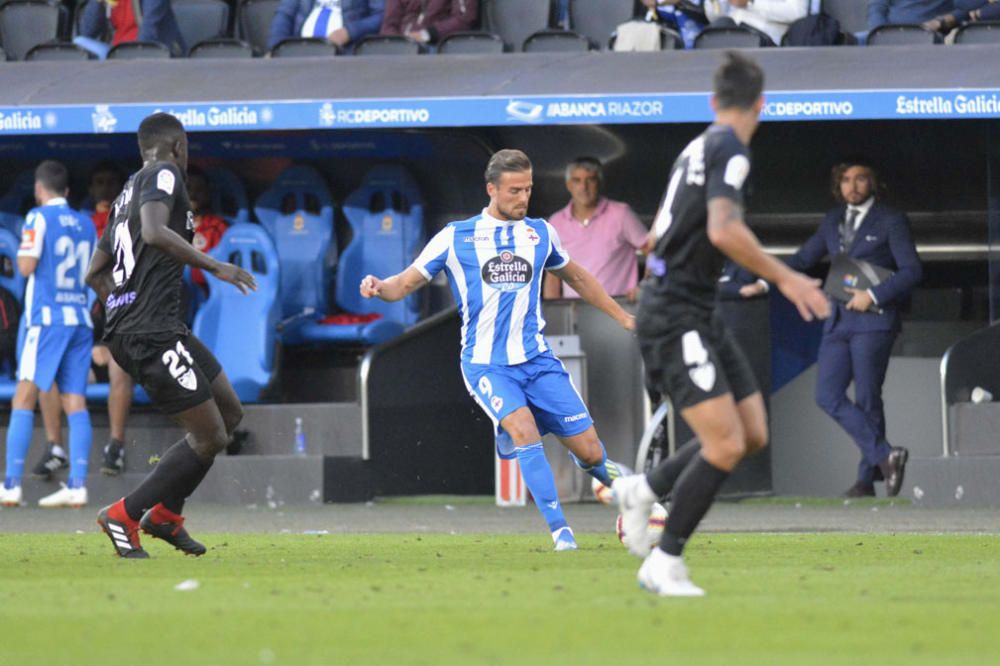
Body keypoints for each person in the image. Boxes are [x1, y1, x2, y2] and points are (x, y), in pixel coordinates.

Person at [612, 52, 830, 596]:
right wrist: (790, 279)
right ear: (762, 104)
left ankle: (643, 489)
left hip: (693, 306)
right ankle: (664, 562)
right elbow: (723, 231)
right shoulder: (731, 148)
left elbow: (663, 236)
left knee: (750, 432)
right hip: (678, 311)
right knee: (725, 444)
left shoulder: (698, 144)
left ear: (712, 102)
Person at [360, 149, 634, 551]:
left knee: (591, 452)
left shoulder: (540, 233)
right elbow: (403, 284)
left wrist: (623, 318)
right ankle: (562, 534)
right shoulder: (457, 237)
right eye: (513, 191)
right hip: (487, 365)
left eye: (527, 190)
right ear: (491, 190)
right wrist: (378, 287)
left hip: (538, 362)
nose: (522, 198)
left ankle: (632, 495)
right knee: (522, 429)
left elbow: (577, 276)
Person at [87, 113, 256, 558]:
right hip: (150, 332)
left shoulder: (126, 190)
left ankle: (165, 516)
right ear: (179, 146)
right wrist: (216, 266)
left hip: (154, 326)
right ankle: (124, 514)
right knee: (211, 437)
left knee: (229, 413)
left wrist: (120, 305)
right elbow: (157, 232)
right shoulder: (164, 173)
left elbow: (94, 273)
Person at [768, 159, 920, 498]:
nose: (852, 186)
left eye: (861, 179)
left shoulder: (891, 219)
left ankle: (866, 481)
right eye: (846, 180)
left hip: (874, 320)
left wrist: (873, 294)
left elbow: (912, 271)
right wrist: (760, 277)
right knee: (827, 394)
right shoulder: (832, 220)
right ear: (838, 186)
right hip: (837, 320)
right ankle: (886, 456)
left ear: (873, 183)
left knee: (867, 398)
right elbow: (803, 259)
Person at [0, 161, 97, 508]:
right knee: (75, 401)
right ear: (67, 191)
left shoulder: (37, 218)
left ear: (40, 191)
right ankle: (78, 485)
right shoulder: (87, 224)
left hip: (46, 318)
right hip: (80, 319)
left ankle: (10, 485)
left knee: (23, 396)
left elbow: (25, 266)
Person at [542, 157, 649, 303]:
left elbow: (654, 252)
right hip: (575, 315)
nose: (584, 187)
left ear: (599, 183)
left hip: (619, 311)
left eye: (590, 180)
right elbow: (553, 277)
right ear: (568, 185)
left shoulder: (621, 214)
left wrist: (646, 285)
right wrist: (552, 315)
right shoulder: (556, 222)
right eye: (577, 180)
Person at [76, 0, 186, 58]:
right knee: (79, 42)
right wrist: (97, 2)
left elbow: (150, 30)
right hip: (115, 52)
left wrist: (131, 57)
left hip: (152, 52)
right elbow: (87, 31)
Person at [268, 0, 385, 52]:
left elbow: (380, 16)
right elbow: (284, 15)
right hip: (300, 50)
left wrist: (349, 32)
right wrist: (275, 49)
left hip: (344, 51)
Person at [185, 165, 229, 294]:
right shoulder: (169, 225)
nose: (193, 194)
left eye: (199, 189)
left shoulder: (217, 226)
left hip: (207, 292)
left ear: (208, 193)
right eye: (188, 188)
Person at [706, 0, 808, 46]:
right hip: (728, 31)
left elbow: (797, 12)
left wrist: (752, 2)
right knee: (710, 38)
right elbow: (714, 16)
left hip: (764, 37)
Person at [380, 0, 478, 47]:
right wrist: (398, 43)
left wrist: (427, 34)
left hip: (438, 43)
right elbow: (389, 24)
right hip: (402, 43)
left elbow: (464, 20)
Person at [868, 0, 970, 30]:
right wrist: (880, 31)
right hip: (891, 31)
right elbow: (876, 7)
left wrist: (941, 22)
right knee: (856, 41)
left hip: (928, 34)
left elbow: (966, 9)